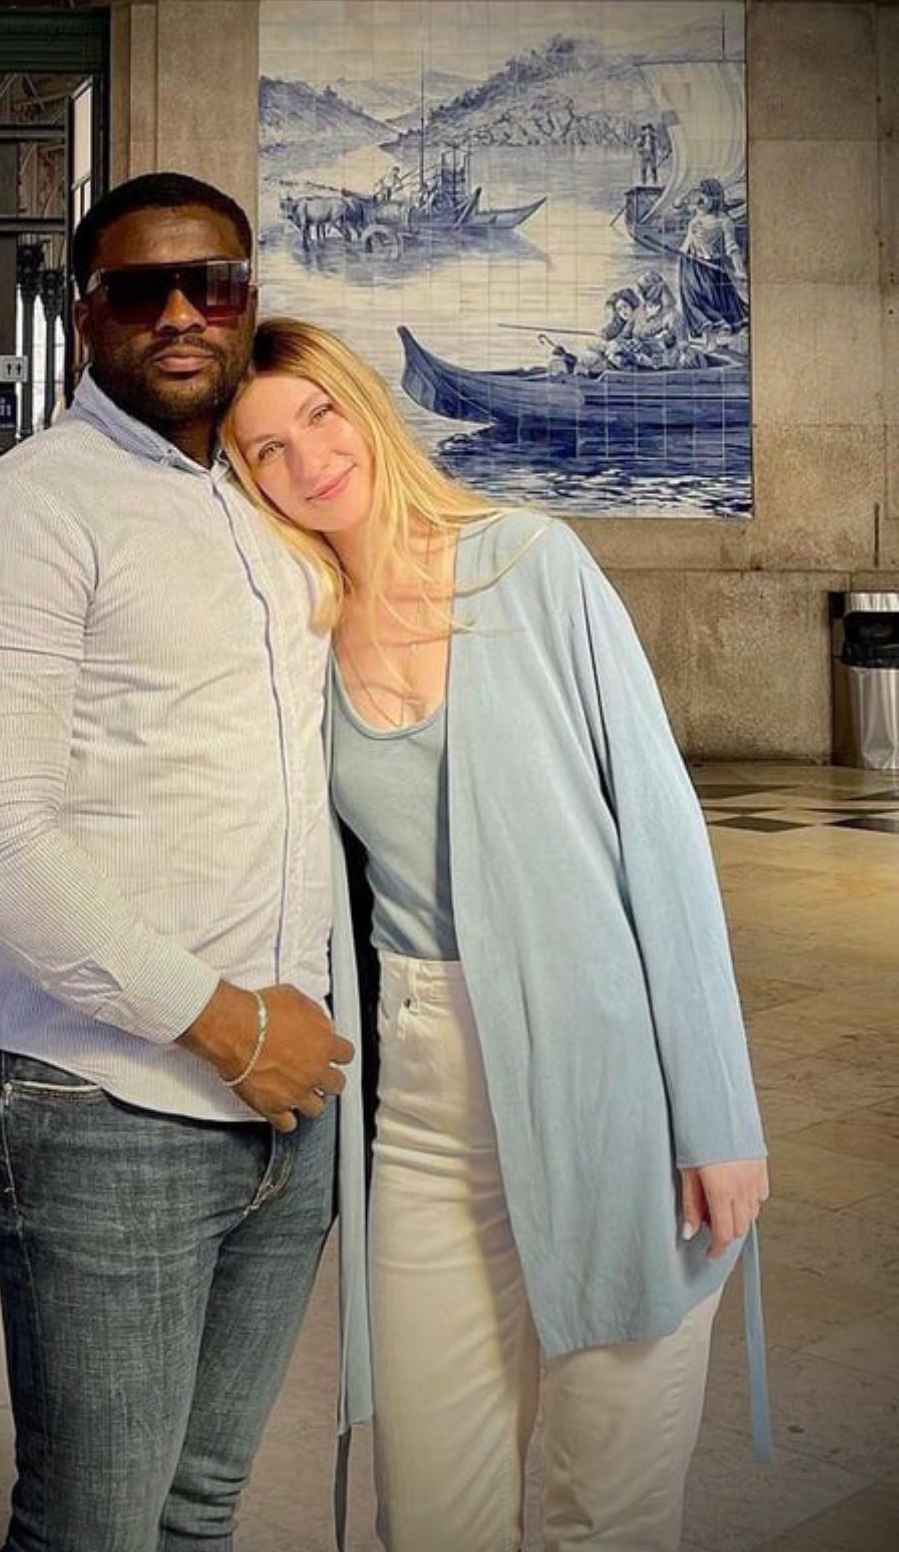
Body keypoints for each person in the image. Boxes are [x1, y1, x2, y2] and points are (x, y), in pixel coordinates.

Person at [223, 318, 771, 1552]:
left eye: (319, 415)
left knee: (609, 1508)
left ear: (366, 406)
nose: (308, 460)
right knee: (429, 1510)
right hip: (423, 1113)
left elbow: (662, 838)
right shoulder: (299, 635)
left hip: (608, 1087)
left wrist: (718, 1111)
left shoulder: (533, 562)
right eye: (265, 451)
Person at [0, 174, 357, 1552]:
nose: (178, 313)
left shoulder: (267, 507)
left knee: (199, 1507)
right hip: (104, 1104)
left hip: (293, 1107)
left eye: (209, 284)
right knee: (94, 1526)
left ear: (248, 302)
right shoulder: (30, 511)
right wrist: (233, 1030)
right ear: (84, 314)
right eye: (136, 289)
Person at [677, 176, 749, 345]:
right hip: (688, 263)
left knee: (708, 302)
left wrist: (739, 270)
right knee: (691, 301)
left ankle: (713, 340)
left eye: (705, 197)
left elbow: (732, 247)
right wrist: (686, 197)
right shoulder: (697, 212)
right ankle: (710, 340)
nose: (700, 201)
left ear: (715, 198)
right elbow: (677, 206)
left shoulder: (724, 221)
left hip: (708, 267)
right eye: (700, 196)